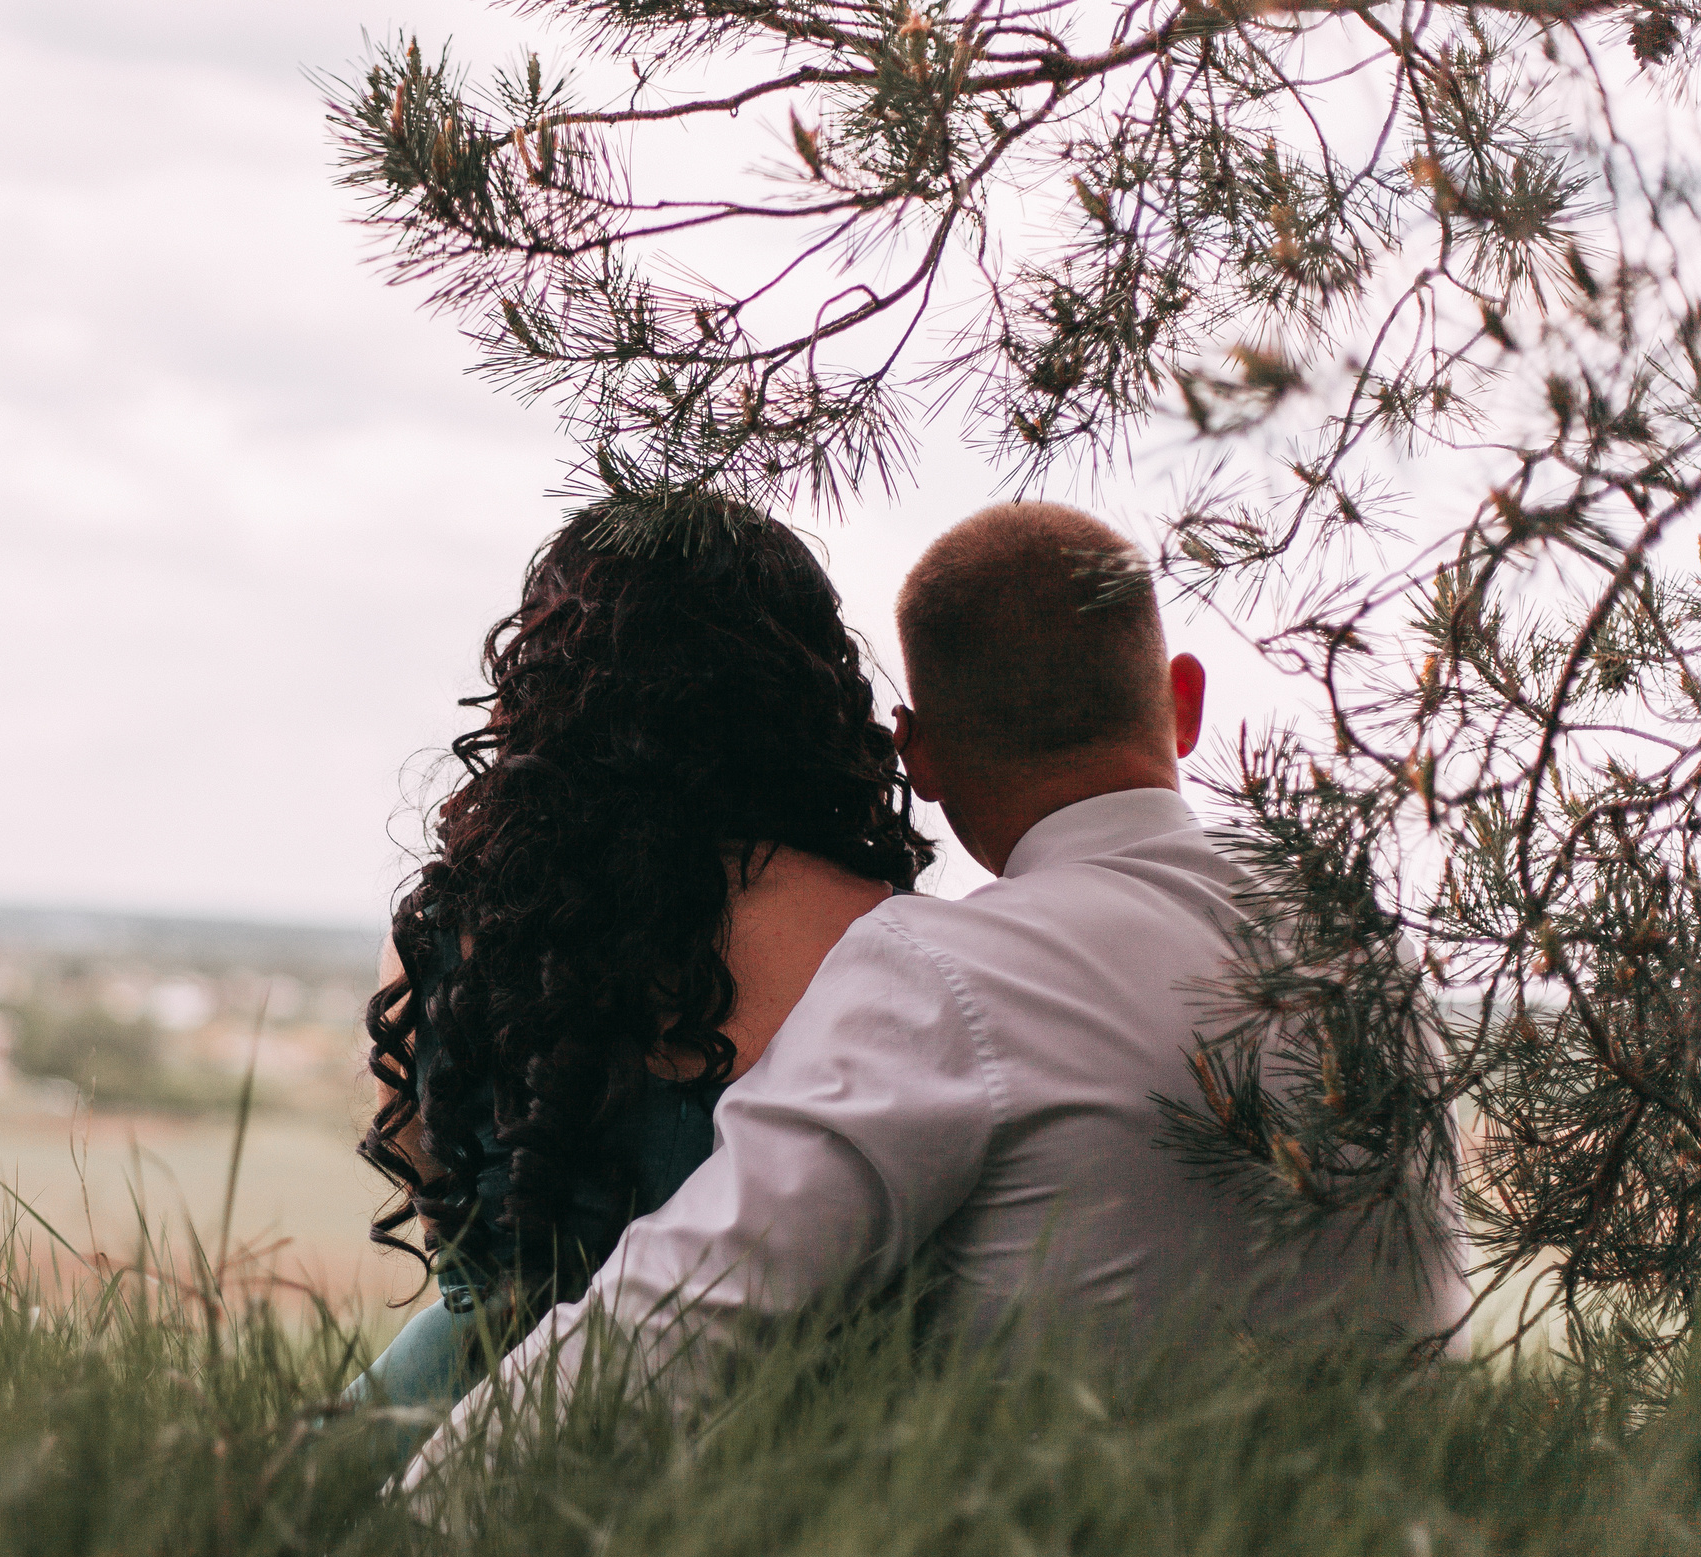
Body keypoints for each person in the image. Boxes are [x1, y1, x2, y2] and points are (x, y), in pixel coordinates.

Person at [401, 500, 1473, 1485]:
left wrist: (413, 1527)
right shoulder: (1366, 949)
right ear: (1183, 702)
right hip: (1394, 1556)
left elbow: (677, 1316)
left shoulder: (946, 975)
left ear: (916, 755)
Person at [343, 497, 934, 1439]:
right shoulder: (883, 934)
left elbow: (440, 1206)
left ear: (548, 678)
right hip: (771, 1443)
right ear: (804, 690)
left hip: (448, 1413)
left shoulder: (445, 926)